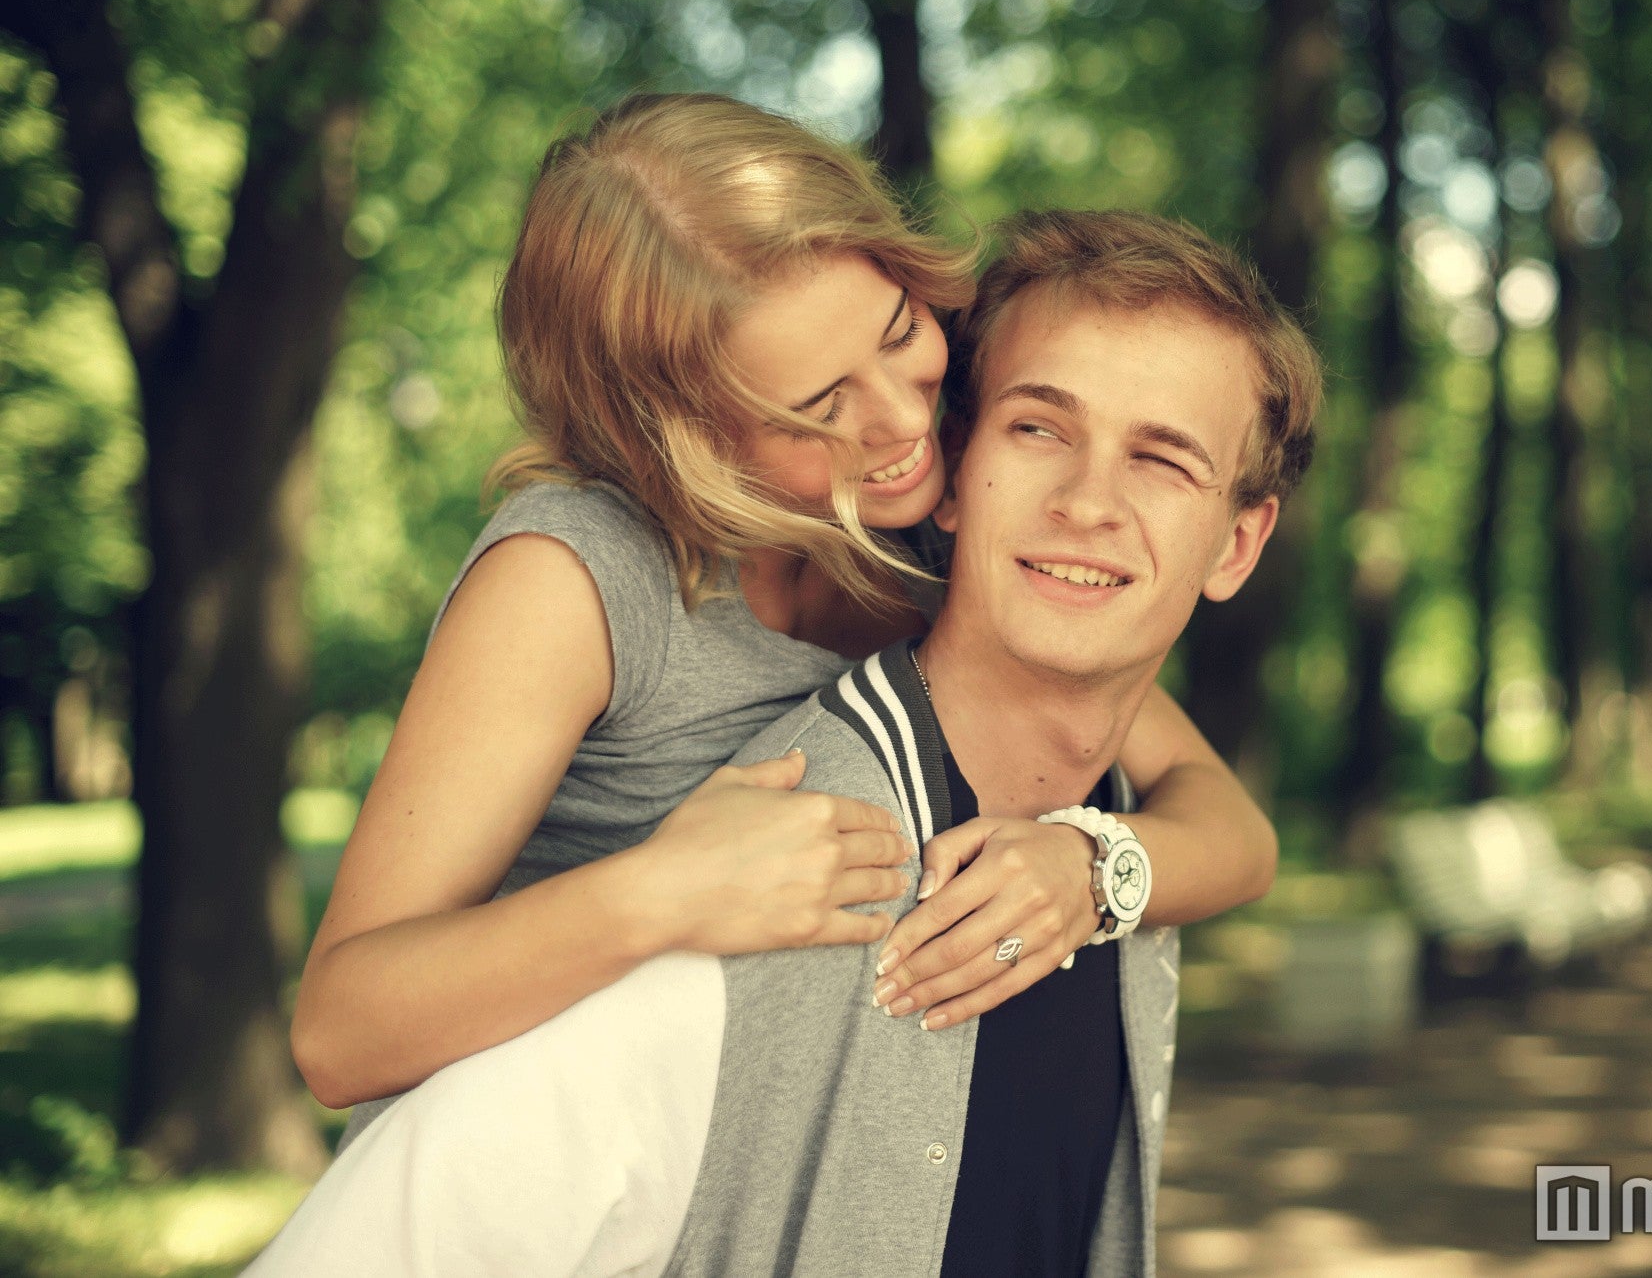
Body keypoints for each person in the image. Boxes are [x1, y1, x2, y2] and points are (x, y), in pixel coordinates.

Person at [251, 97, 1277, 1275]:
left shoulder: (928, 531)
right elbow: (340, 1031)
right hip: (545, 1208)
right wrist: (657, 892)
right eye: (816, 406)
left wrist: (1091, 867)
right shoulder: (575, 582)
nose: (902, 424)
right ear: (677, 433)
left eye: (897, 332)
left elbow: (1230, 829)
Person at [661, 207, 1324, 1278]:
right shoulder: (779, 854)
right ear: (955, 466)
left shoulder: (1121, 832)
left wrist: (1103, 867)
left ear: (1235, 543)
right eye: (1039, 428)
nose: (1087, 504)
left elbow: (1237, 839)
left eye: (1160, 460)